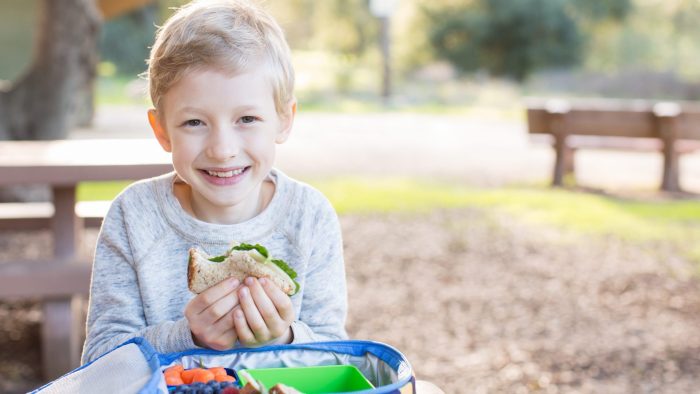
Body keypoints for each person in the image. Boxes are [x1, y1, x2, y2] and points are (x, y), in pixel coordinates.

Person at [81, 0, 347, 364]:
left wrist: (284, 338)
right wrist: (187, 337)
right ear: (161, 130)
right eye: (194, 123)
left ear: (284, 120)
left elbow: (336, 357)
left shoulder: (309, 218)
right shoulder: (134, 216)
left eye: (247, 119)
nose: (223, 150)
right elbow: (99, 362)